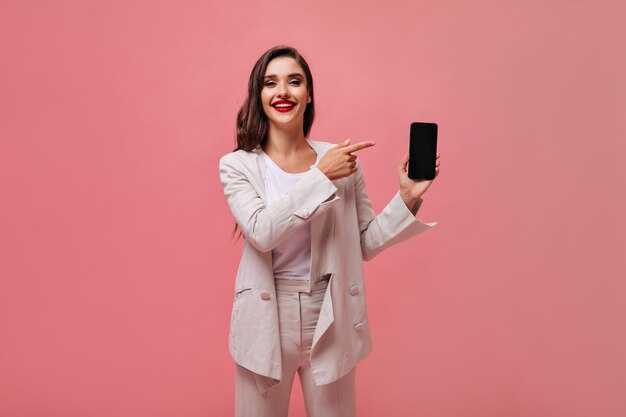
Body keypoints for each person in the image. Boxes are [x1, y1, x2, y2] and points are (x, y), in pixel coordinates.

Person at [218, 45, 441, 417]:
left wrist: (406, 199)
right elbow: (261, 231)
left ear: (309, 95)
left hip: (331, 308)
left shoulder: (340, 160)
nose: (283, 92)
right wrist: (320, 175)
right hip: (268, 313)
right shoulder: (239, 165)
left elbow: (365, 241)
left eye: (294, 81)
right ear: (259, 96)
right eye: (270, 83)